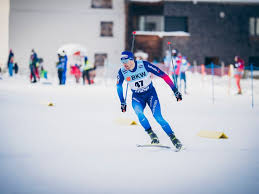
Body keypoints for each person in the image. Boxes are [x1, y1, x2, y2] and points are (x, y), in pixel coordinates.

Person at [116, 51, 183, 150]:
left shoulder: (144, 65)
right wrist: (122, 101)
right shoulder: (122, 71)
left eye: (126, 61)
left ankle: (174, 138)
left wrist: (175, 90)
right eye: (122, 61)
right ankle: (152, 135)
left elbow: (163, 75)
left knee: (158, 117)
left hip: (151, 94)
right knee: (139, 113)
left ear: (131, 59)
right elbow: (119, 86)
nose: (124, 64)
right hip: (137, 97)